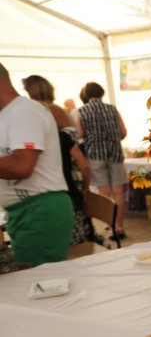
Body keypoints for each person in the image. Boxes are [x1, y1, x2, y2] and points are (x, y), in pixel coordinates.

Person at [0, 62, 74, 265]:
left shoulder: (24, 112)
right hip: (28, 211)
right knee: (36, 279)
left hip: (39, 210)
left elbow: (22, 166)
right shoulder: (9, 114)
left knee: (40, 280)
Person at [21, 75, 95, 244]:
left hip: (66, 178)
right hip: (71, 176)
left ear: (32, 91)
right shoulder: (57, 110)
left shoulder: (45, 112)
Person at [76, 81, 129, 240]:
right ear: (101, 93)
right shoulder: (113, 109)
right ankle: (119, 227)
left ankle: (110, 226)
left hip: (95, 155)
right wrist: (113, 139)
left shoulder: (82, 111)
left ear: (86, 95)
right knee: (118, 192)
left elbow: (79, 134)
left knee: (104, 193)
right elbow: (123, 132)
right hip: (115, 154)